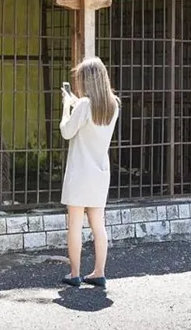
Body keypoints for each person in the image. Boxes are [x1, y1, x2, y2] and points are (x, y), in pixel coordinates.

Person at [59, 56, 120, 288]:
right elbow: (90, 115)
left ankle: (74, 273)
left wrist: (66, 106)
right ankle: (99, 272)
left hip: (79, 173)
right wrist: (77, 103)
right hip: (100, 172)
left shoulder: (84, 105)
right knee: (98, 225)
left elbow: (67, 131)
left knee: (75, 224)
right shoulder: (113, 105)